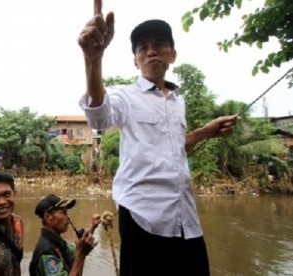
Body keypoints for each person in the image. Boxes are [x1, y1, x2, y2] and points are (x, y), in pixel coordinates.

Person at [77, 0, 240, 275]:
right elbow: (99, 117)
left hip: (185, 217)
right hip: (142, 215)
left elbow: (175, 149)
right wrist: (93, 60)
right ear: (136, 60)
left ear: (172, 55)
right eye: (143, 48)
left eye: (159, 45)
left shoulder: (178, 101)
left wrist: (205, 132)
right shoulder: (125, 96)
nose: (151, 52)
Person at [29, 194, 100, 276]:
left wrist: (93, 226)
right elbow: (79, 253)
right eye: (63, 213)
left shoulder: (58, 243)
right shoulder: (47, 252)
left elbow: (76, 252)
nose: (68, 218)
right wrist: (82, 253)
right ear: (48, 217)